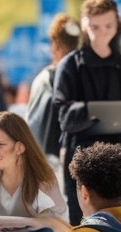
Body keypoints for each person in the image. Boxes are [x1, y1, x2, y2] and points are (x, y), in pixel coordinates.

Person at [52, 0, 121, 226]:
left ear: (117, 25)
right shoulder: (70, 65)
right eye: (94, 26)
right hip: (80, 158)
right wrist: (91, 112)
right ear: (83, 24)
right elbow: (63, 115)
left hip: (119, 157)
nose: (101, 32)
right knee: (81, 224)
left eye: (108, 26)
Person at [25, 12, 81, 169]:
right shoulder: (86, 75)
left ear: (54, 46)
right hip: (80, 158)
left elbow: (32, 122)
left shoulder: (44, 79)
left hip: (48, 161)